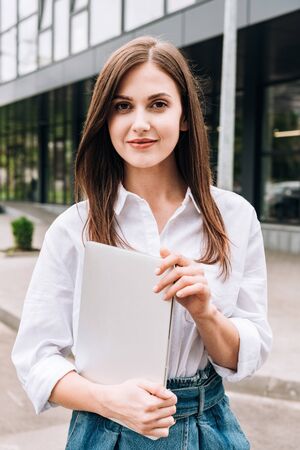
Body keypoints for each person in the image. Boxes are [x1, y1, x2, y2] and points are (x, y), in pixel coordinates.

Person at [12, 36, 272, 449]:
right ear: (106, 120)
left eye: (158, 104)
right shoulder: (74, 228)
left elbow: (246, 355)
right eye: (122, 106)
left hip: (208, 428)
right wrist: (107, 400)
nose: (140, 123)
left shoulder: (234, 218)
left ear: (185, 115)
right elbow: (35, 358)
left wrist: (206, 313)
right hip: (104, 430)